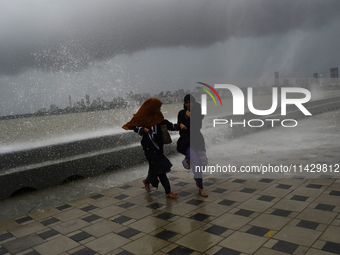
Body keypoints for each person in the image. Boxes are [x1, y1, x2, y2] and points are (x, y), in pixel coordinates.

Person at [122, 98, 179, 199]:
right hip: (149, 146)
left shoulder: (158, 117)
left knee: (154, 167)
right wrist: (143, 129)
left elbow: (166, 124)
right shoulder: (143, 117)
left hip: (158, 146)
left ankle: (147, 181)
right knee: (161, 168)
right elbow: (134, 126)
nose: (159, 109)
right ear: (152, 107)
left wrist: (178, 126)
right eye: (158, 107)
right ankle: (168, 192)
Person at [177, 94, 208, 197]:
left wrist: (190, 117)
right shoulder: (181, 113)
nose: (188, 104)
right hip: (187, 141)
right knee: (195, 161)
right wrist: (180, 125)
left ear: (193, 102)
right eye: (186, 102)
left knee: (202, 163)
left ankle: (197, 176)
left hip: (198, 141)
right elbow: (179, 125)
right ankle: (201, 187)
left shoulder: (199, 112)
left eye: (190, 102)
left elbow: (197, 125)